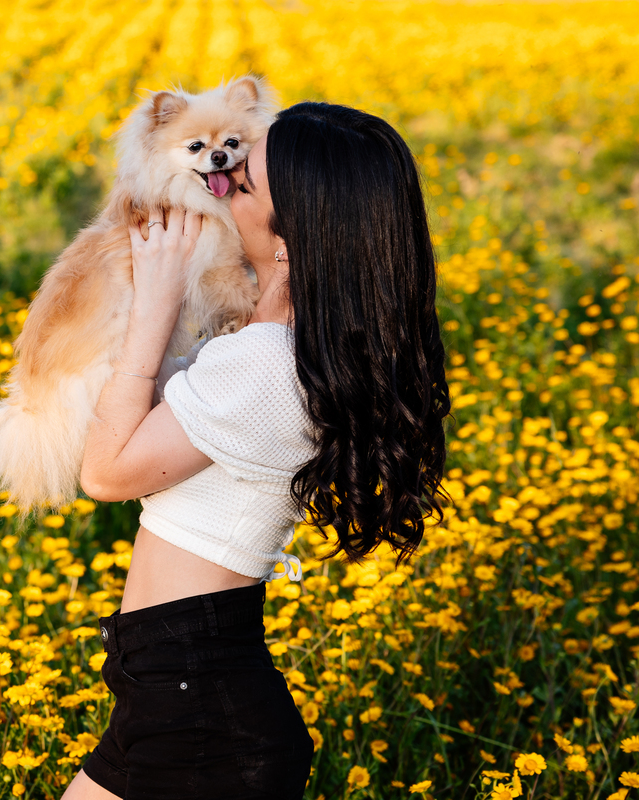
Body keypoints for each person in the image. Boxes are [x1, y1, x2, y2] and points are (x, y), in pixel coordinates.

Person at [64, 102, 451, 800]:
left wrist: (153, 305)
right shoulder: (288, 345)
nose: (221, 181)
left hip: (198, 713)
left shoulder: (268, 363)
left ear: (289, 236)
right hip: (177, 694)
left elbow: (105, 472)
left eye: (242, 183)